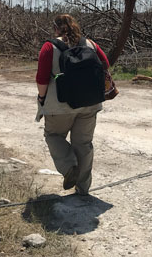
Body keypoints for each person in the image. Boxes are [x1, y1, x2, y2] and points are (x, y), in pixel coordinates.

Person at [35, 14, 109, 195]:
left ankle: (69, 167)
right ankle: (83, 188)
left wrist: (42, 99)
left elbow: (42, 79)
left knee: (53, 136)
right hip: (90, 103)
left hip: (60, 106)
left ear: (56, 28)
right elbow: (105, 65)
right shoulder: (90, 44)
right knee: (83, 144)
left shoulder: (49, 47)